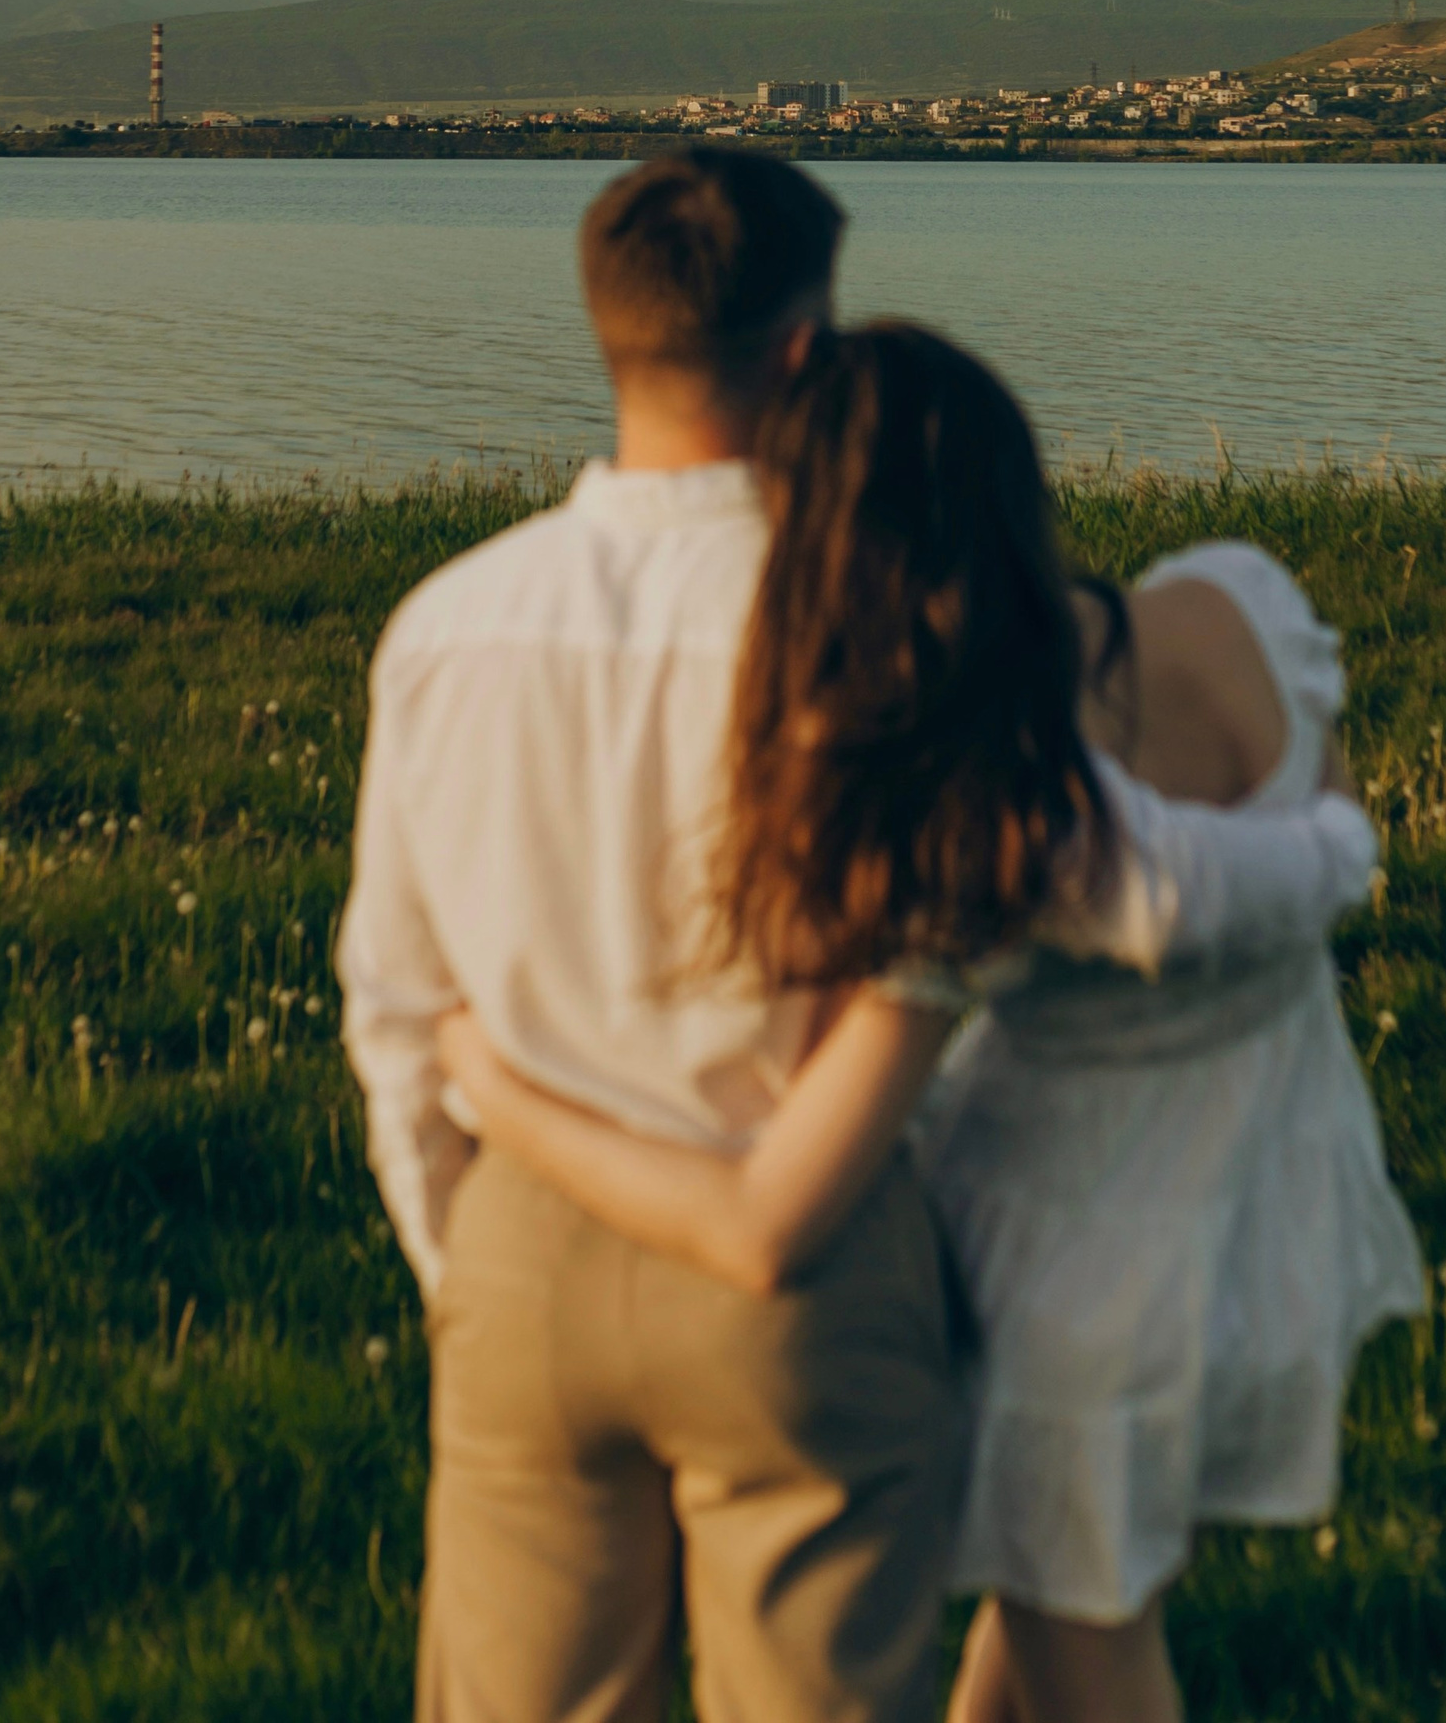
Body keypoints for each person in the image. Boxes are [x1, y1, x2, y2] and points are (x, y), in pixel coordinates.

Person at [338, 152, 1382, 1723]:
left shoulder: (446, 624)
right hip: (806, 1271)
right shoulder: (884, 635)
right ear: (810, 355)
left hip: (520, 1246)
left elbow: (394, 1007)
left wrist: (463, 1267)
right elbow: (1112, 893)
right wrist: (1333, 847)